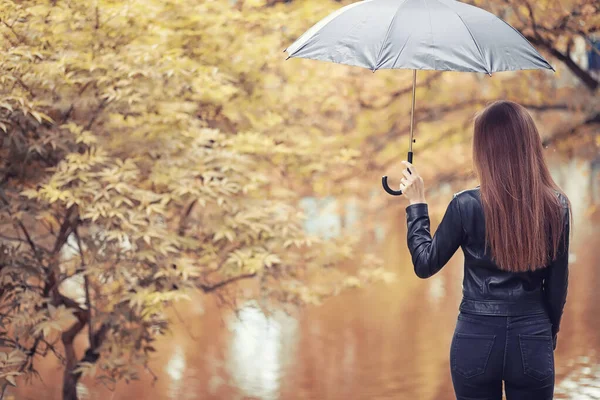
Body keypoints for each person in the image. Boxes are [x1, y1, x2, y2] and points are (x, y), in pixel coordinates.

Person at [398, 100, 571, 400]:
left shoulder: (465, 205)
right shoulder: (556, 206)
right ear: (530, 145)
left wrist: (416, 203)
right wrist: (547, 331)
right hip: (532, 336)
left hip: (476, 337)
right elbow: (557, 286)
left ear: (485, 150)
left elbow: (424, 264)